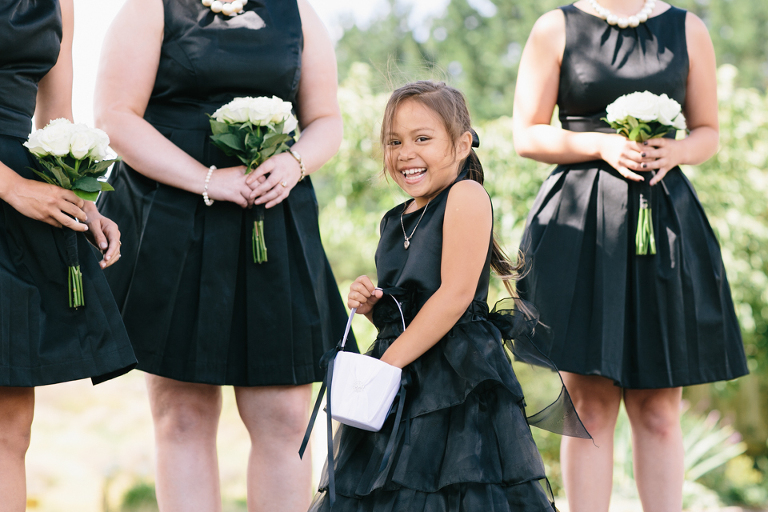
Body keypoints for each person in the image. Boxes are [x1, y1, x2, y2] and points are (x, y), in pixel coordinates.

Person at [94, 0, 351, 510]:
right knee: (182, 413)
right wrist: (208, 180)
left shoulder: (297, 13)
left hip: (271, 221)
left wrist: (295, 163)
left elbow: (326, 120)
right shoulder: (151, 8)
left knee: (283, 415)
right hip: (170, 219)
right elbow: (115, 117)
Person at [308, 80, 589, 512]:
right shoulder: (394, 220)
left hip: (453, 378)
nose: (405, 153)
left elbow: (454, 296)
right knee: (392, 491)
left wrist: (386, 365)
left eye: (422, 138)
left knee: (453, 489)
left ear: (461, 145)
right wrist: (372, 306)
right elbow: (407, 311)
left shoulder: (466, 195)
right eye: (394, 141)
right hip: (400, 373)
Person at [512, 1, 749, 511]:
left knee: (660, 410)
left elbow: (707, 131)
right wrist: (599, 146)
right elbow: (525, 133)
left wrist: (677, 150)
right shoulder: (556, 26)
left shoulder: (687, 27)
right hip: (581, 227)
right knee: (590, 408)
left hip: (664, 225)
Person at [0, 0, 136, 509]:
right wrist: (11, 186)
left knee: (10, 425)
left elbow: (56, 118)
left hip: (19, 206)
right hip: (9, 189)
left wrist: (84, 203)